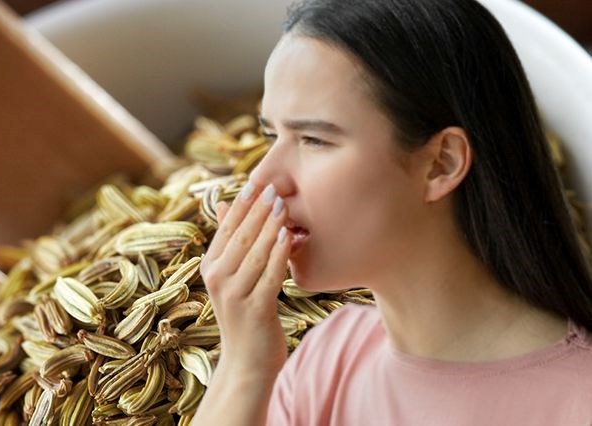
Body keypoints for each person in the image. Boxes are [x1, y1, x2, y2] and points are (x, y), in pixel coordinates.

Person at [191, 0, 592, 424]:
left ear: (442, 164)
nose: (264, 180)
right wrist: (242, 366)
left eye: (313, 139)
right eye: (272, 135)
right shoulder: (330, 359)